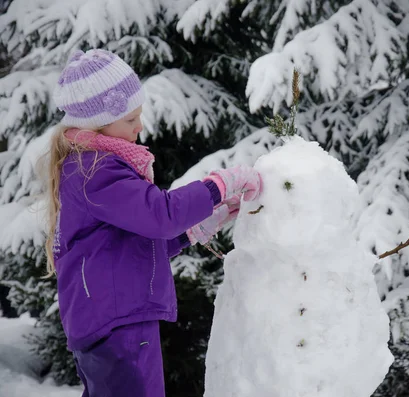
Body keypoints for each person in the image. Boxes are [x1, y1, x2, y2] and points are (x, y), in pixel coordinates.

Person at [45, 48, 261, 397]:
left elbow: (129, 242)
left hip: (106, 319)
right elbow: (160, 215)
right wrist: (220, 185)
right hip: (115, 324)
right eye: (130, 119)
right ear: (98, 122)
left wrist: (196, 229)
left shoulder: (89, 167)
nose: (139, 127)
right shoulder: (95, 170)